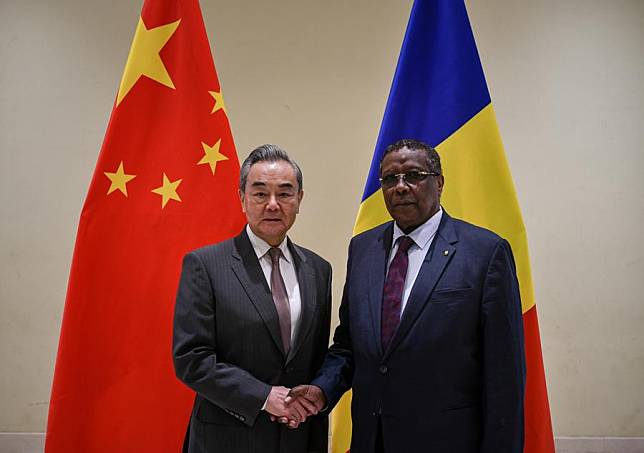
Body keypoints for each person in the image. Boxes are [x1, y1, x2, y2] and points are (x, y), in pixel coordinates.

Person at [286, 139, 526, 453]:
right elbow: (350, 344)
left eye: (413, 176)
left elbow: (503, 373)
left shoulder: (484, 252)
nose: (400, 187)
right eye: (389, 179)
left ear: (439, 183)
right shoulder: (363, 248)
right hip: (372, 440)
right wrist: (323, 389)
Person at [173, 144, 332, 453]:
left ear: (299, 200)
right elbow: (192, 359)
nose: (273, 204)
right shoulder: (206, 265)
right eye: (260, 193)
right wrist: (262, 396)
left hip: (299, 437)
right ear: (242, 198)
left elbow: (315, 358)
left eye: (285, 193)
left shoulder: (318, 269)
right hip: (228, 439)